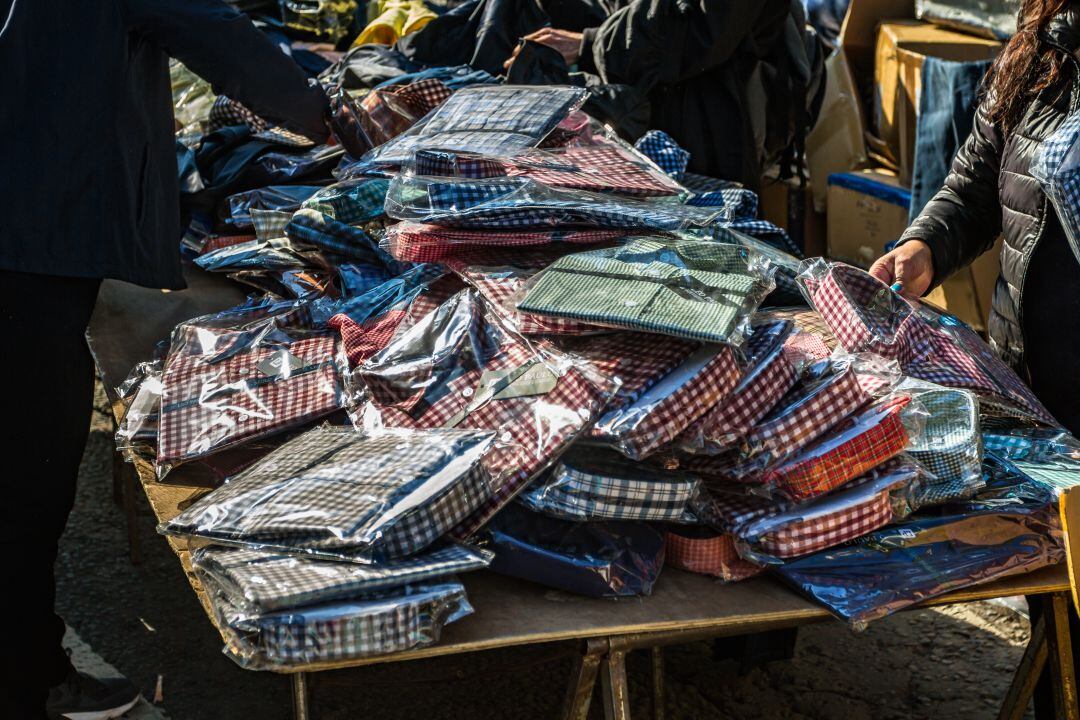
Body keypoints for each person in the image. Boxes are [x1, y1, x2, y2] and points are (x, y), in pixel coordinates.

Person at [0, 2, 329, 718]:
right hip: (31, 234)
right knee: (27, 478)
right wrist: (326, 116)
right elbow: (209, 29)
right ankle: (25, 678)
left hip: (27, 219)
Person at [870, 1, 1080, 715]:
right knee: (1062, 613)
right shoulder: (1043, 43)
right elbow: (976, 178)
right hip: (1041, 396)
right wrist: (925, 244)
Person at [420, 0, 824, 190]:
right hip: (666, 116)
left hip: (709, 129)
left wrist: (588, 44)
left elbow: (697, 32)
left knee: (690, 277)